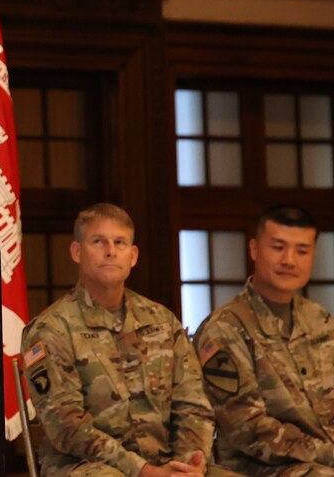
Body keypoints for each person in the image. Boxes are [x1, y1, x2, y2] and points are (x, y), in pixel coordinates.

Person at [21, 203, 234, 477]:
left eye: (119, 242)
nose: (110, 251)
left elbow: (193, 404)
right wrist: (143, 470)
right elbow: (66, 427)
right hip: (85, 466)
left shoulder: (162, 321)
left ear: (133, 256)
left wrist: (189, 464)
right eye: (98, 241)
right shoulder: (51, 329)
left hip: (166, 463)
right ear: (77, 252)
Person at [194, 205, 334, 477]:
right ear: (255, 249)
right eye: (278, 247)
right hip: (260, 468)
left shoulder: (320, 320)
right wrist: (328, 453)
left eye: (302, 251)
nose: (289, 260)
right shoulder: (225, 329)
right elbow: (246, 428)